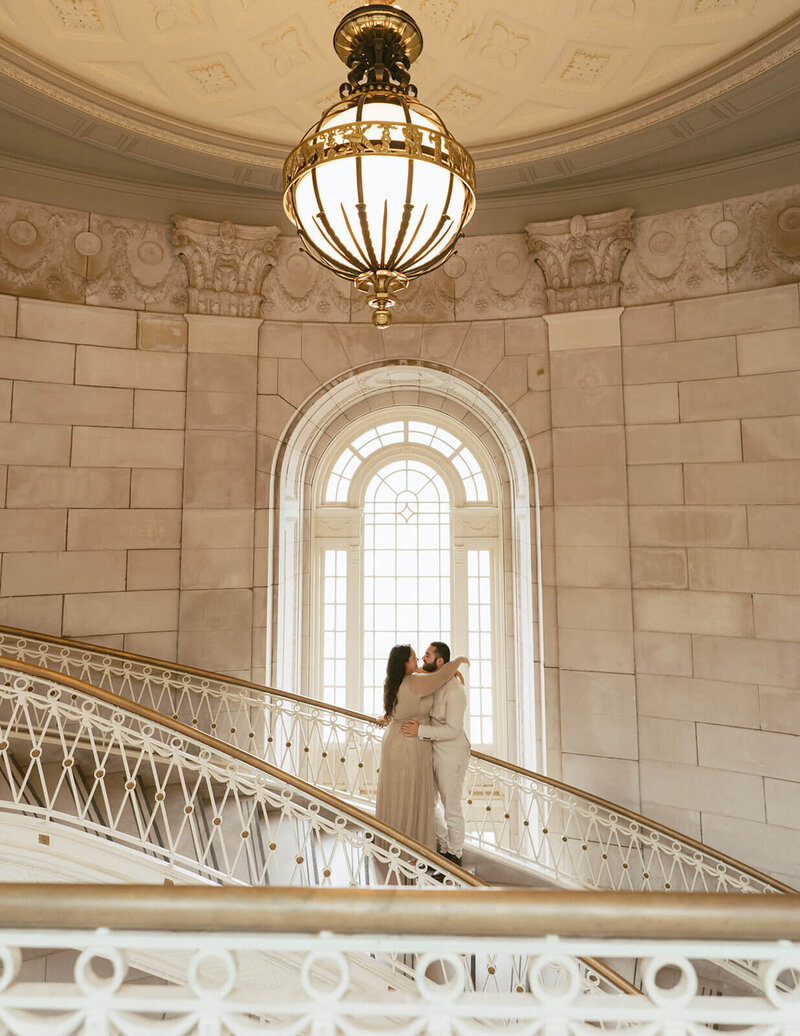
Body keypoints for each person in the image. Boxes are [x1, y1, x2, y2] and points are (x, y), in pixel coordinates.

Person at [375, 644, 469, 850]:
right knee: (411, 798)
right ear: (404, 664)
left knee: (401, 796)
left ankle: (450, 852)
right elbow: (439, 677)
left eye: (424, 656)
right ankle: (413, 848)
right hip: (409, 745)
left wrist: (390, 718)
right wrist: (459, 661)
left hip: (399, 740)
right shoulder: (417, 682)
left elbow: (404, 702)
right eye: (415, 658)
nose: (419, 661)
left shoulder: (393, 680)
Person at [401, 641, 470, 866]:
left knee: (451, 807)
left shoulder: (455, 691)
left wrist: (419, 731)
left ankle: (455, 857)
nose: (422, 658)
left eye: (427, 656)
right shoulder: (435, 680)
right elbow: (418, 671)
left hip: (451, 754)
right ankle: (443, 848)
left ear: (440, 662)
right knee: (428, 803)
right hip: (430, 751)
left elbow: (452, 729)